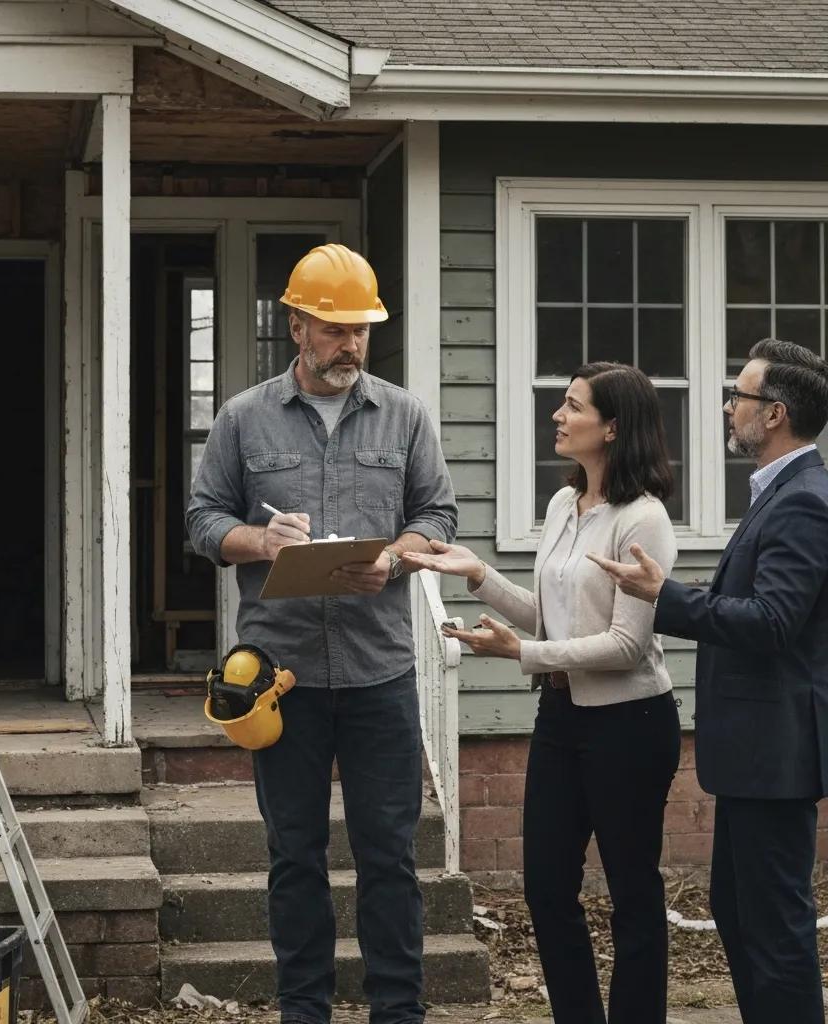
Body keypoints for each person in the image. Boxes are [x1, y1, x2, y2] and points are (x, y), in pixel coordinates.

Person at [186, 243, 458, 1024]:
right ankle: (303, 1009)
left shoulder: (404, 415)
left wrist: (399, 561)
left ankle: (396, 1011)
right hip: (283, 677)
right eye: (336, 329)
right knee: (294, 857)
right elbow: (204, 519)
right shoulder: (243, 418)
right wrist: (260, 544)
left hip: (381, 674)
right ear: (296, 325)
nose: (351, 345)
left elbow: (436, 515)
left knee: (390, 859)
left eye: (362, 330)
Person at [404, 362, 681, 1024]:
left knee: (632, 893)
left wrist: (520, 653)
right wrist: (479, 575)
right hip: (560, 719)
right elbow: (552, 616)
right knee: (547, 889)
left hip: (632, 724)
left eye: (573, 406)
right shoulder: (563, 505)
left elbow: (627, 646)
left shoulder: (644, 520)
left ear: (612, 427)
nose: (557, 415)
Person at [590, 339, 828, 1024]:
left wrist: (666, 595)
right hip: (756, 754)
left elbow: (774, 621)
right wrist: (677, 593)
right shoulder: (778, 493)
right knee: (739, 910)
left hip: (775, 753)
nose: (729, 407)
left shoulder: (803, 500)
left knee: (775, 925)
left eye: (740, 397)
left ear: (775, 413)